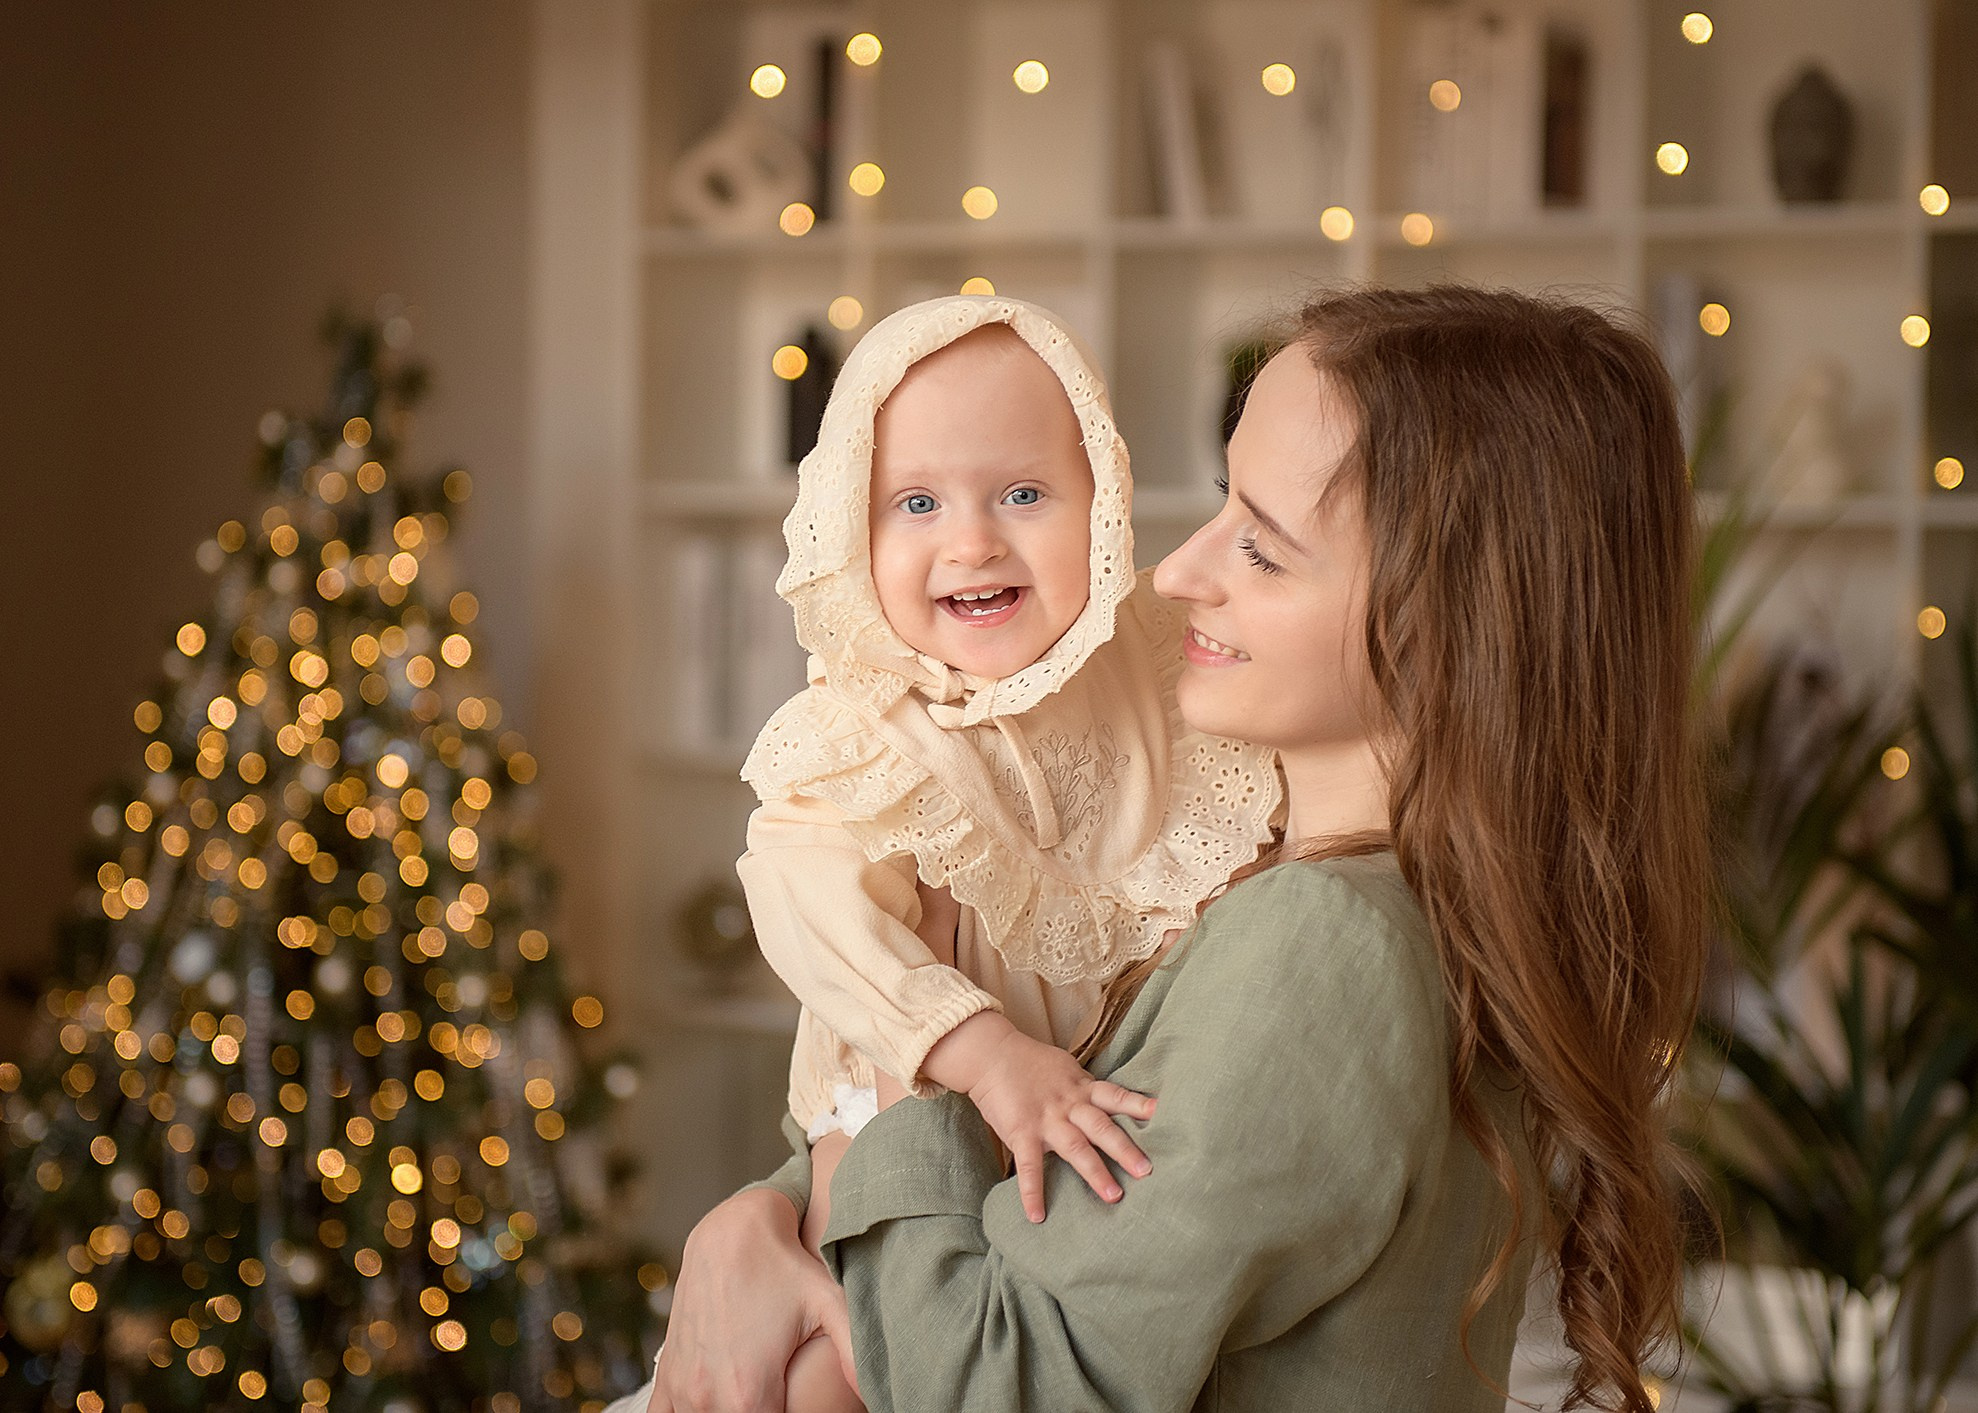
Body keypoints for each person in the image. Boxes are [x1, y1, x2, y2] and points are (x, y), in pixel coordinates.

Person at [643, 285, 1710, 1413]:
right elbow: (1035, 1191)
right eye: (1218, 503)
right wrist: (760, 1217)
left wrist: (861, 1125)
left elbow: (998, 1381)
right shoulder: (1251, 866)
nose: (1179, 570)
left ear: (1434, 620)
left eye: (1261, 544)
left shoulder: (1320, 951)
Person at [642, 295, 1283, 1408]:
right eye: (917, 502)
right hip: (891, 1127)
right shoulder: (867, 728)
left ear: (1104, 501)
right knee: (830, 1380)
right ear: (852, 526)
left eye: (1025, 494)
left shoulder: (1155, 672)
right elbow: (806, 901)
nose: (973, 540)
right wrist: (984, 1055)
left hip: (1070, 1142)